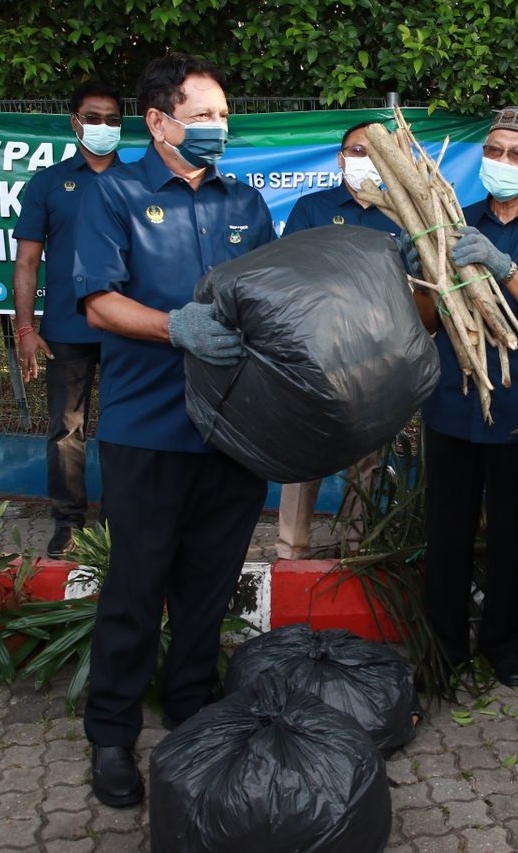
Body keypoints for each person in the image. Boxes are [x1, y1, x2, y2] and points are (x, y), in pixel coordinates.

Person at [72, 53, 275, 809]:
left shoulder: (246, 202)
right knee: (136, 585)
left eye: (224, 116)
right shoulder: (116, 194)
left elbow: (267, 299)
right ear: (158, 121)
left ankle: (191, 714)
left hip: (233, 431)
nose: (217, 128)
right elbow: (98, 302)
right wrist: (175, 326)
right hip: (148, 430)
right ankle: (113, 735)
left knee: (208, 588)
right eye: (203, 115)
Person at [415, 106, 518, 688]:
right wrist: (424, 270)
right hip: (452, 404)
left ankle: (505, 646)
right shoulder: (451, 221)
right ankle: (444, 647)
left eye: (517, 154)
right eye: (494, 151)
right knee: (447, 534)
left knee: (515, 535)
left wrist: (503, 265)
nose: (503, 162)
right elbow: (427, 322)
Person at [275, 121, 398, 560]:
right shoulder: (313, 208)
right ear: (340, 158)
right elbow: (288, 276)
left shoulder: (400, 217)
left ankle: (354, 549)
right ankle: (291, 549)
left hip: (377, 357)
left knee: (366, 460)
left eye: (374, 150)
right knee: (302, 455)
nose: (363, 157)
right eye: (356, 149)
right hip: (315, 352)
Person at [13, 80, 124, 558]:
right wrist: (25, 330)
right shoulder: (49, 183)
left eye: (113, 120)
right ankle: (69, 525)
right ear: (75, 122)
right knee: (65, 429)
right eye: (94, 118)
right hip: (64, 329)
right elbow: (25, 263)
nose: (103, 127)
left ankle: (120, 524)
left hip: (127, 328)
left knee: (128, 428)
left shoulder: (138, 180)